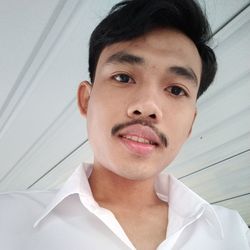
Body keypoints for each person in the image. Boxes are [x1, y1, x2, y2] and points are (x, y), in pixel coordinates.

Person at [0, 0, 249, 249]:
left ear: (191, 124)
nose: (148, 106)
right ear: (86, 100)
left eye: (175, 89)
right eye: (123, 77)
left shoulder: (231, 232)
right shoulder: (7, 219)